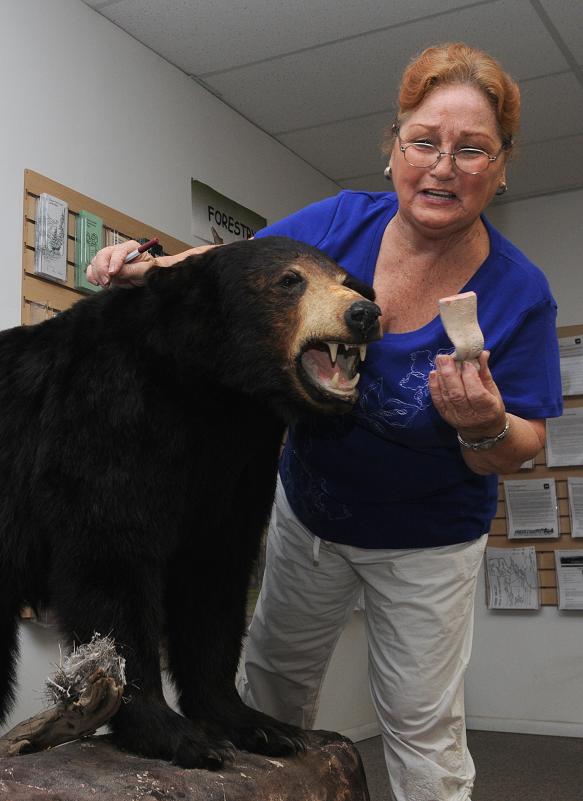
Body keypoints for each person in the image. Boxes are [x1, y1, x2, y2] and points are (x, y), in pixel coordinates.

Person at [88, 43, 562, 801]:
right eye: (424, 142)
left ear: (500, 168)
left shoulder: (520, 292)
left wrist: (483, 424)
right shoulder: (340, 221)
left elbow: (527, 442)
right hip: (312, 517)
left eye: (471, 149)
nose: (442, 165)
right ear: (393, 150)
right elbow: (234, 267)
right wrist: (147, 265)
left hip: (429, 542)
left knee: (421, 728)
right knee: (263, 697)